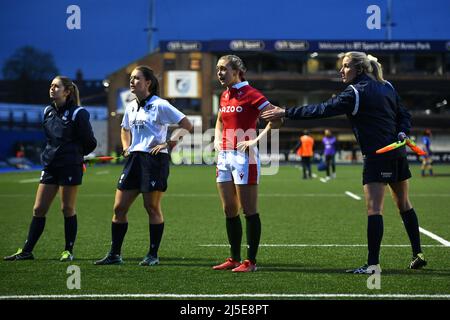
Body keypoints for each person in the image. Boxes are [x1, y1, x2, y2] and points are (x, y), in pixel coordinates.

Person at [262, 51, 427, 273]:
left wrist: (286, 112)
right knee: (404, 205)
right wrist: (403, 132)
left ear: (359, 69)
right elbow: (403, 115)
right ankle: (418, 254)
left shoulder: (355, 92)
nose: (341, 70)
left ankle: (372, 265)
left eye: (346, 66)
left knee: (374, 209)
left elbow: (322, 109)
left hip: (377, 157)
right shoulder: (386, 85)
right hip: (397, 154)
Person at [95, 65, 192, 266]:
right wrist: (125, 147)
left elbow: (187, 125)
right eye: (131, 78)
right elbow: (124, 129)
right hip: (134, 160)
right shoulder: (131, 106)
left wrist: (169, 143)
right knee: (119, 208)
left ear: (148, 82)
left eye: (137, 78)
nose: (132, 81)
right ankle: (114, 254)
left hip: (154, 161)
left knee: (151, 207)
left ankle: (152, 255)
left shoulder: (160, 105)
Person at [4, 76, 97, 262]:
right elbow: (50, 140)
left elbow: (90, 142)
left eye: (56, 86)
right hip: (50, 166)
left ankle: (68, 251)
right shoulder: (47, 111)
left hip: (70, 167)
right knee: (38, 209)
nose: (52, 89)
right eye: (51, 86)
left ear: (67, 91)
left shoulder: (79, 113)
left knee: (67, 208)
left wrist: (76, 155)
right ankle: (27, 251)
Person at [213, 55, 281, 272]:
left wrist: (255, 139)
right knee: (229, 209)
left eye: (224, 69)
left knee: (249, 210)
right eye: (218, 69)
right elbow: (220, 120)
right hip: (224, 156)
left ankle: (250, 261)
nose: (220, 73)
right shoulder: (224, 95)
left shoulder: (252, 94)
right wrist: (217, 138)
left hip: (245, 157)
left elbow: (277, 118)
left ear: (237, 71)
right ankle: (234, 258)